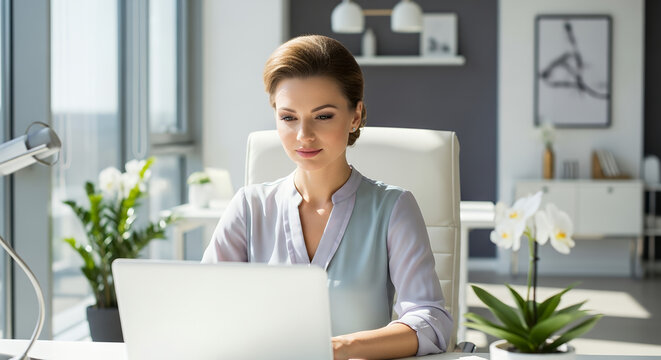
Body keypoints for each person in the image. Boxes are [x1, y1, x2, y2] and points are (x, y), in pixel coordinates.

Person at [201, 34, 453, 359]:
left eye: (323, 116)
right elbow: (206, 307)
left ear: (355, 116)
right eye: (289, 117)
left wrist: (337, 348)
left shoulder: (393, 209)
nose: (303, 135)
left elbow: (430, 323)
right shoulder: (248, 208)